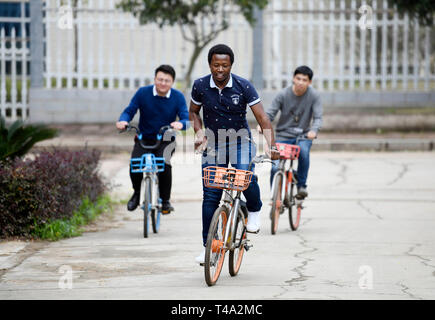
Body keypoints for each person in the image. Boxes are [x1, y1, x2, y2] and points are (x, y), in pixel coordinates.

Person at [189, 44, 280, 264]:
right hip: (214, 143)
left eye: (225, 65)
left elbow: (262, 118)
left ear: (231, 65)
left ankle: (254, 210)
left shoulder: (243, 86)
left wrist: (272, 145)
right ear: (210, 64)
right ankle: (209, 246)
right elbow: (193, 111)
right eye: (216, 65)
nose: (220, 69)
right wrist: (199, 132)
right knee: (211, 194)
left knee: (243, 175)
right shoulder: (200, 85)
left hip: (240, 141)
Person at [116, 64, 189, 214]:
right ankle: (136, 193)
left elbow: (186, 118)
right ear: (155, 79)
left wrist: (180, 124)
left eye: (167, 80)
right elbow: (130, 110)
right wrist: (123, 121)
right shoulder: (143, 93)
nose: (163, 83)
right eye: (160, 79)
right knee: (135, 164)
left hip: (165, 140)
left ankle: (165, 200)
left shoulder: (177, 97)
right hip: (144, 138)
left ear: (172, 82)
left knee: (164, 165)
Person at [260, 65, 323, 199]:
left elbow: (318, 117)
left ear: (309, 82)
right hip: (283, 135)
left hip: (303, 136)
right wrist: (262, 125)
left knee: (304, 152)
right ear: (293, 79)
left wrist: (314, 130)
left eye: (304, 80)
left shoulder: (314, 96)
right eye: (298, 78)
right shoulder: (283, 94)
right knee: (275, 166)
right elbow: (270, 114)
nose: (300, 82)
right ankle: (275, 195)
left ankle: (301, 185)